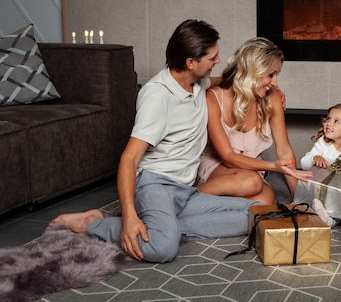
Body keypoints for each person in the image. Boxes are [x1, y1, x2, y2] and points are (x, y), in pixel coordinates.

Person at [48, 20, 260, 263]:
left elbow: (224, 81)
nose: (218, 61)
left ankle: (163, 224)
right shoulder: (156, 97)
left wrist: (269, 90)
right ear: (190, 63)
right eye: (212, 58)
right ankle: (93, 223)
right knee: (162, 248)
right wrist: (128, 218)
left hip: (185, 191)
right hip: (154, 185)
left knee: (253, 213)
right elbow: (129, 159)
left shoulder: (197, 82)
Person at [196, 37, 313, 205]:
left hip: (251, 169)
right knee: (252, 182)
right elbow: (228, 157)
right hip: (218, 166)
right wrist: (273, 166)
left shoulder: (272, 98)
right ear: (252, 72)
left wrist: (300, 200)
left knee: (265, 202)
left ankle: (209, 208)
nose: (275, 83)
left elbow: (284, 151)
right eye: (271, 75)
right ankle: (187, 197)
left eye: (276, 75)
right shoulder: (213, 99)